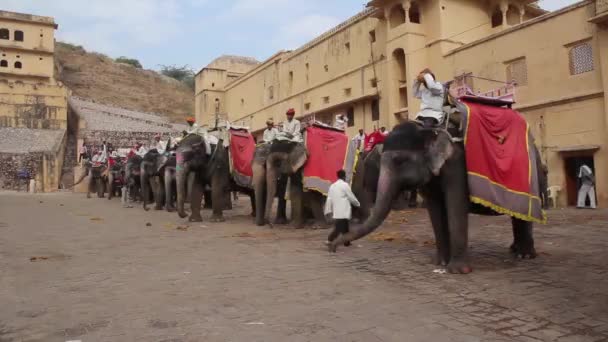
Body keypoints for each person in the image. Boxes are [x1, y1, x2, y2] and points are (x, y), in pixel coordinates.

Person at [324, 169, 361, 246]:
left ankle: (347, 242)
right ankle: (329, 240)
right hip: (344, 210)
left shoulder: (332, 186)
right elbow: (351, 197)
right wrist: (357, 204)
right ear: (344, 176)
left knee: (345, 227)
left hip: (336, 210)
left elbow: (329, 199)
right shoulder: (345, 185)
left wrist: (328, 210)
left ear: (337, 176)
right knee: (339, 228)